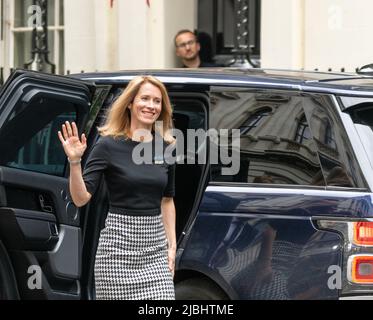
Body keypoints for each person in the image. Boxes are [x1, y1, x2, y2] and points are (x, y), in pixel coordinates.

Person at [57, 75, 177, 300]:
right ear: (130, 103)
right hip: (117, 253)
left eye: (157, 101)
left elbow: (167, 199)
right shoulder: (108, 145)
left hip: (155, 254)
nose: (151, 106)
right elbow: (81, 199)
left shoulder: (166, 147)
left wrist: (171, 247)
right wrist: (75, 162)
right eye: (145, 99)